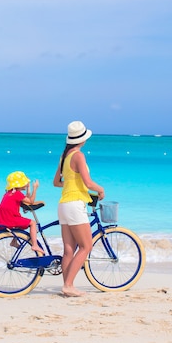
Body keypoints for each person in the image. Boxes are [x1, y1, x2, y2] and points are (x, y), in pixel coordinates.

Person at [52, 121, 105, 297]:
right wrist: (100, 189)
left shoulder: (65, 156)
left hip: (63, 205)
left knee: (69, 249)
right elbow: (88, 182)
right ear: (83, 139)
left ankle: (67, 286)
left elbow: (56, 183)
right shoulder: (78, 156)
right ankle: (68, 285)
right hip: (75, 205)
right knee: (85, 246)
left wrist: (74, 185)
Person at [0, 171, 44, 254]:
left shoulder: (10, 193)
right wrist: (35, 188)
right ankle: (35, 245)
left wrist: (28, 188)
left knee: (20, 224)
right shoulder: (17, 194)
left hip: (1, 218)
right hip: (9, 218)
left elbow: (25, 199)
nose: (27, 183)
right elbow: (30, 201)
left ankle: (14, 241)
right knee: (32, 223)